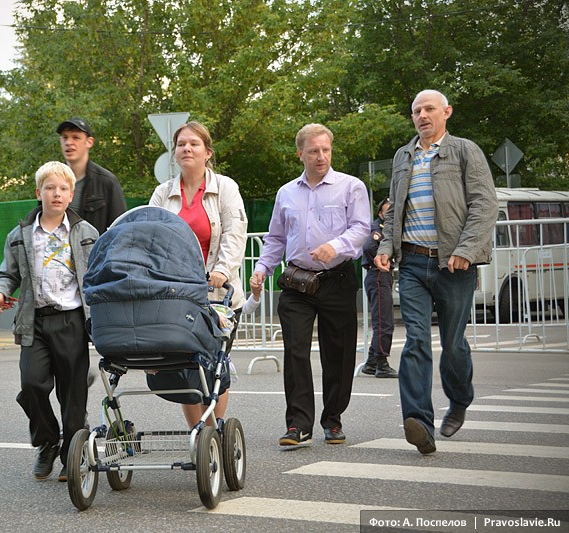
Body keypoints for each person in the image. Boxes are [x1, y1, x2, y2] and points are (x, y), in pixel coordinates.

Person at [374, 89, 497, 455]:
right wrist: (385, 248)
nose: (422, 115)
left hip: (454, 264)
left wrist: (465, 250)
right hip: (412, 262)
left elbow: (484, 204)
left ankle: (459, 400)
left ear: (446, 112)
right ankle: (419, 423)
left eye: (429, 109)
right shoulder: (403, 156)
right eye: (416, 110)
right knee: (415, 340)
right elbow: (394, 208)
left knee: (453, 345)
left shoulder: (464, 151)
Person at [253, 123, 370, 446]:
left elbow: (362, 228)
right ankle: (298, 424)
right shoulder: (286, 192)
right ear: (300, 153)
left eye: (326, 150)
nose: (321, 157)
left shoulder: (351, 187)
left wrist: (336, 246)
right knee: (296, 351)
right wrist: (262, 268)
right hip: (297, 282)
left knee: (339, 352)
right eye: (314, 151)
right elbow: (276, 237)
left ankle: (333, 419)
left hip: (337, 279)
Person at [0, 161, 98, 482]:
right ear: (39, 193)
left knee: (72, 394)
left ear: (71, 194)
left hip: (73, 321)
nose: (56, 194)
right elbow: (8, 274)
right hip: (34, 321)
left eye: (63, 188)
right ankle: (47, 441)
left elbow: (100, 274)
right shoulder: (20, 235)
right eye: (50, 188)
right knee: (32, 384)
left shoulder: (86, 233)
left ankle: (71, 456)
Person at [149, 121, 248, 428]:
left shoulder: (225, 189)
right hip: (177, 297)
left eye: (194, 144)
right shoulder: (163, 194)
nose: (187, 148)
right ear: (175, 152)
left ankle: (213, 430)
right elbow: (149, 236)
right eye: (181, 144)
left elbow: (235, 234)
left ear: (207, 152)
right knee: (183, 367)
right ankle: (198, 436)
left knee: (214, 365)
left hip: (217, 295)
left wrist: (221, 271)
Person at [57, 117, 126, 235]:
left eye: (76, 137)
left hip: (95, 252)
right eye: (65, 137)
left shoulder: (107, 182)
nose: (68, 142)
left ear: (89, 142)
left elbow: (120, 229)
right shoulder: (51, 180)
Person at [360, 198, 398, 378]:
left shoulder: (385, 228)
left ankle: (371, 362)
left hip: (380, 276)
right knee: (384, 322)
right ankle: (381, 363)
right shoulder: (378, 229)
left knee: (383, 319)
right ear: (381, 214)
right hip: (378, 274)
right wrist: (382, 259)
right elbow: (369, 246)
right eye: (387, 211)